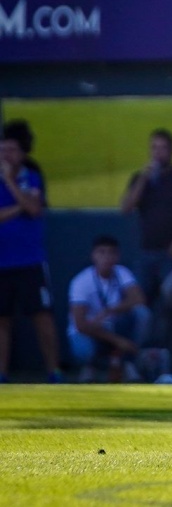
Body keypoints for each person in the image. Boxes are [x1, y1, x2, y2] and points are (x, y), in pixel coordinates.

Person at [0, 132, 61, 384]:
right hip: (2, 262)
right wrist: (20, 206)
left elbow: (35, 209)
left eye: (11, 150)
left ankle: (54, 372)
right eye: (2, 150)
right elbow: (25, 207)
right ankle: (2, 375)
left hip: (31, 261)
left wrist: (9, 182)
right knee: (2, 320)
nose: (6, 155)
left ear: (22, 153)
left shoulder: (32, 177)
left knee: (42, 317)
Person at [120, 129, 172, 352]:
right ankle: (137, 355)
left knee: (170, 305)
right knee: (140, 305)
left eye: (163, 148)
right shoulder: (141, 178)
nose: (158, 153)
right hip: (146, 252)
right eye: (154, 148)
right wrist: (143, 180)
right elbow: (126, 208)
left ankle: (171, 355)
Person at [67, 235, 151, 383]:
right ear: (93, 256)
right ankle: (89, 367)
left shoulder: (122, 272)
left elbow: (138, 299)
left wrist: (109, 311)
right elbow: (80, 324)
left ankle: (127, 363)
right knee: (84, 350)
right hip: (89, 330)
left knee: (142, 313)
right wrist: (118, 341)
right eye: (102, 252)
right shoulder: (81, 282)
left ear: (118, 256)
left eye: (111, 252)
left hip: (114, 325)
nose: (107, 257)